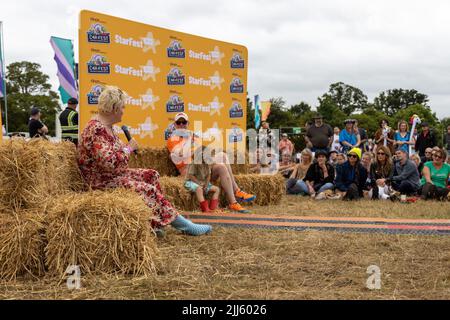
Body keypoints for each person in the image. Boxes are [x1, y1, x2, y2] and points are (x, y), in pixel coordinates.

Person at [77, 86, 212, 236]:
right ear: (114, 108)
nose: (123, 111)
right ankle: (185, 226)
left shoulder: (108, 128)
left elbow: (114, 156)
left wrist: (125, 149)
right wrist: (128, 148)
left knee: (151, 175)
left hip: (113, 176)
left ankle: (153, 224)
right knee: (147, 189)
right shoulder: (96, 129)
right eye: (122, 107)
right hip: (100, 182)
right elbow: (109, 163)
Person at [167, 112, 256, 213]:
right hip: (191, 172)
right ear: (175, 125)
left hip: (203, 169)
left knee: (222, 158)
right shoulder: (172, 139)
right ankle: (236, 193)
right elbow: (182, 154)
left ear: (188, 124)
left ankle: (234, 199)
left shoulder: (194, 137)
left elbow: (202, 153)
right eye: (179, 123)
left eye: (184, 122)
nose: (182, 125)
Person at [184, 146, 222, 212]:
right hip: (192, 182)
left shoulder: (207, 164)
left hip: (203, 182)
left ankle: (213, 207)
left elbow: (208, 175)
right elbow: (190, 176)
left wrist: (206, 184)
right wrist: (199, 183)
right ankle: (205, 208)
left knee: (217, 189)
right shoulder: (194, 163)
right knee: (199, 189)